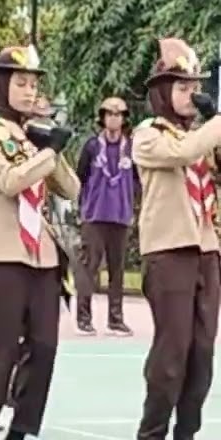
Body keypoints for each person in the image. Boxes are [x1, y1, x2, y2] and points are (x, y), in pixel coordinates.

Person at [0, 45, 79, 440]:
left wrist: (52, 151)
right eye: (21, 83)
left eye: (34, 84)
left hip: (41, 256)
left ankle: (21, 429)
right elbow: (8, 182)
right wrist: (48, 152)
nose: (30, 92)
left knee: (44, 347)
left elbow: (71, 189)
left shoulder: (31, 137)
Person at [130, 37, 221, 440]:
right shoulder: (148, 133)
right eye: (182, 88)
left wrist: (215, 119)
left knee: (202, 355)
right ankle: (152, 433)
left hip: (207, 249)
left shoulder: (204, 133)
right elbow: (184, 153)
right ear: (162, 92)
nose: (191, 95)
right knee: (173, 354)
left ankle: (187, 432)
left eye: (195, 87)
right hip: (169, 253)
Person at [74, 96, 137, 336]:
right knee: (88, 268)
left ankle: (116, 318)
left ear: (124, 119)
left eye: (118, 114)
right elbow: (80, 178)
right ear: (102, 118)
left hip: (120, 216)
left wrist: (130, 202)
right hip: (94, 215)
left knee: (117, 270)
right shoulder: (91, 146)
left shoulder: (130, 148)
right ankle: (83, 318)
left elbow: (138, 181)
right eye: (109, 114)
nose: (113, 118)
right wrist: (81, 210)